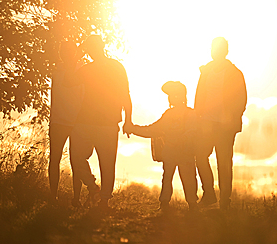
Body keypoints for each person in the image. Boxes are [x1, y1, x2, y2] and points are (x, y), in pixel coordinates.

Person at [65, 35, 133, 210]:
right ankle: (98, 194)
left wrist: (128, 120)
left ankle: (99, 195)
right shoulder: (113, 67)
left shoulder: (109, 68)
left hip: (97, 123)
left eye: (90, 48)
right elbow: (70, 82)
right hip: (95, 122)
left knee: (93, 161)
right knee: (100, 162)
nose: (90, 51)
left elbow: (67, 81)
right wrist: (128, 120)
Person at [126, 81, 199, 211]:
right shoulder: (172, 114)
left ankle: (183, 204)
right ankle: (183, 204)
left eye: (173, 95)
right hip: (175, 152)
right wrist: (133, 129)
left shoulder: (186, 114)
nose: (172, 98)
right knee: (178, 178)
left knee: (177, 178)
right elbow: (154, 129)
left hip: (180, 152)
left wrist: (133, 128)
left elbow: (193, 131)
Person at [194, 37, 247, 210]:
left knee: (224, 162)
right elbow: (199, 97)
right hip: (206, 122)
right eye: (212, 48)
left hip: (225, 126)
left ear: (225, 51)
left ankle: (225, 200)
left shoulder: (234, 73)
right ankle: (209, 193)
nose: (214, 51)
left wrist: (232, 117)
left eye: (217, 48)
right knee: (200, 155)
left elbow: (241, 100)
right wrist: (197, 118)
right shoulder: (206, 72)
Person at [48, 40, 84, 205]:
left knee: (72, 160)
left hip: (71, 122)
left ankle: (72, 197)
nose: (65, 55)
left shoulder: (78, 72)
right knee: (67, 159)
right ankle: (59, 196)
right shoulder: (58, 71)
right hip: (63, 121)